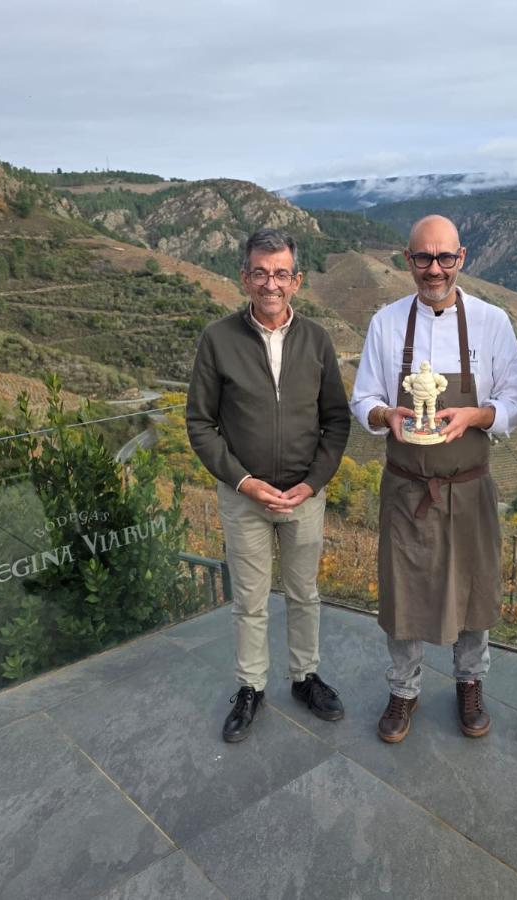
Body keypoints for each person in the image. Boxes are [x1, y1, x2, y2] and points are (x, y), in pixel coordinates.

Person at [351, 215, 517, 743]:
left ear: (461, 258)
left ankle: (470, 683)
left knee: (474, 592)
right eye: (424, 258)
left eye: (445, 257)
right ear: (408, 260)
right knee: (402, 594)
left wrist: (477, 415)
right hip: (406, 487)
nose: (435, 269)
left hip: (469, 485)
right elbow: (363, 398)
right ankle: (403, 688)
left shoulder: (492, 322)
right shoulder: (385, 324)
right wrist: (386, 415)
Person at [186, 228, 350, 743]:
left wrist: (314, 482)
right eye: (260, 272)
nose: (270, 283)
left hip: (304, 497)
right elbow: (200, 424)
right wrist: (243, 481)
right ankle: (251, 687)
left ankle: (305, 677)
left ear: (296, 281)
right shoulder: (218, 339)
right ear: (244, 278)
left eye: (280, 273)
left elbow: (336, 422)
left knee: (304, 593)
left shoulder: (317, 340)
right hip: (244, 498)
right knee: (249, 601)